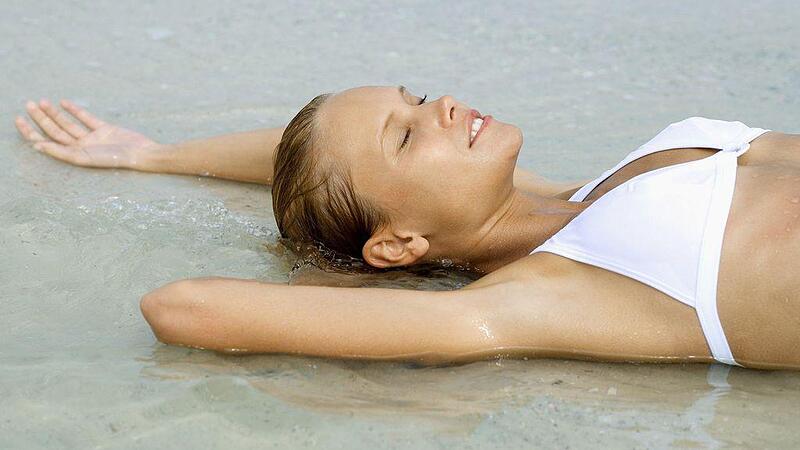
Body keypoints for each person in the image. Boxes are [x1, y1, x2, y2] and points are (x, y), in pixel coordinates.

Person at [14, 88, 800, 369]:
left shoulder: (577, 194)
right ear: (397, 246)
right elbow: (181, 306)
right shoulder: (542, 298)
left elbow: (319, 164)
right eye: (406, 132)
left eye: (415, 97)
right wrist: (334, 277)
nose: (445, 105)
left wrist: (153, 156)